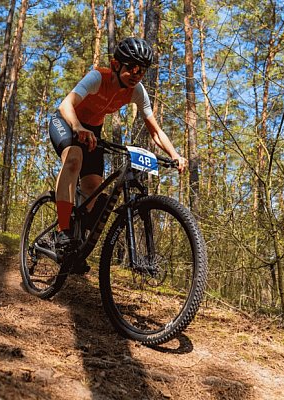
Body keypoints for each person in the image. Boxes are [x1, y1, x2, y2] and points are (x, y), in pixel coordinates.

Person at [48, 37, 188, 270]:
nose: (136, 74)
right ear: (115, 65)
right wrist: (78, 128)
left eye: (141, 70)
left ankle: (76, 245)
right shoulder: (98, 78)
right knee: (74, 158)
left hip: (92, 131)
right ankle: (62, 231)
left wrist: (175, 154)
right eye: (132, 67)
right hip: (66, 121)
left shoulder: (137, 91)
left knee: (95, 190)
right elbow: (66, 105)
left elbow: (154, 131)